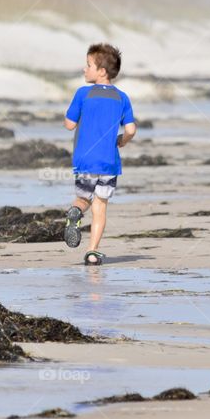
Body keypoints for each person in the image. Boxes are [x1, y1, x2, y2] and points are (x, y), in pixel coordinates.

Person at [62, 43, 137, 266]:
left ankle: (75, 211)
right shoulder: (122, 97)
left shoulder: (83, 93)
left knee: (84, 197)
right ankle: (92, 252)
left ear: (101, 71)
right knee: (100, 205)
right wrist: (121, 141)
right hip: (109, 162)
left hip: (86, 159)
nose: (85, 70)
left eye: (88, 65)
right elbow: (131, 129)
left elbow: (69, 124)